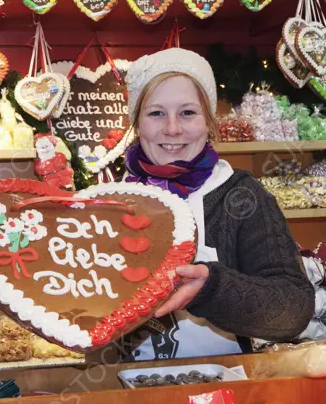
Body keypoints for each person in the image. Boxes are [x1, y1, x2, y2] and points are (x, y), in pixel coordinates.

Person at [116, 47, 315, 359]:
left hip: (223, 392)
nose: (172, 129)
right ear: (137, 125)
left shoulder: (241, 196)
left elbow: (292, 309)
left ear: (208, 122)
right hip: (122, 391)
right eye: (156, 113)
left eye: (188, 112)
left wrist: (212, 288)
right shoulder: (110, 202)